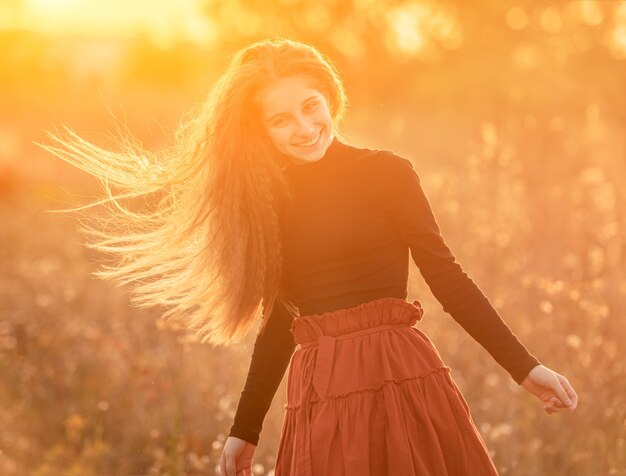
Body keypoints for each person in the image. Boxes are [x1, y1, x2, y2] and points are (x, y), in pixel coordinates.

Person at [39, 37, 578, 476]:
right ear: (259, 130)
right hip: (323, 393)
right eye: (280, 120)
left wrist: (525, 367)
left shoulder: (387, 173)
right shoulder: (265, 203)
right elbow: (279, 322)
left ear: (330, 98)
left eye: (310, 106)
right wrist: (244, 429)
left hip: (403, 377)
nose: (303, 127)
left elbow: (447, 277)